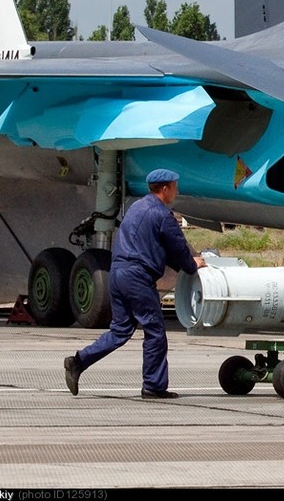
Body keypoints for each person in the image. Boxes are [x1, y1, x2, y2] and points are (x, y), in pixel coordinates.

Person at [64, 168, 206, 399]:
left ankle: (78, 362)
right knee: (155, 331)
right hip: (137, 277)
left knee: (120, 331)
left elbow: (158, 247)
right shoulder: (162, 215)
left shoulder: (137, 207)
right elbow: (177, 249)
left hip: (117, 274)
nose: (176, 192)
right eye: (175, 187)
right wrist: (192, 264)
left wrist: (185, 263)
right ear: (165, 189)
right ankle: (153, 386)